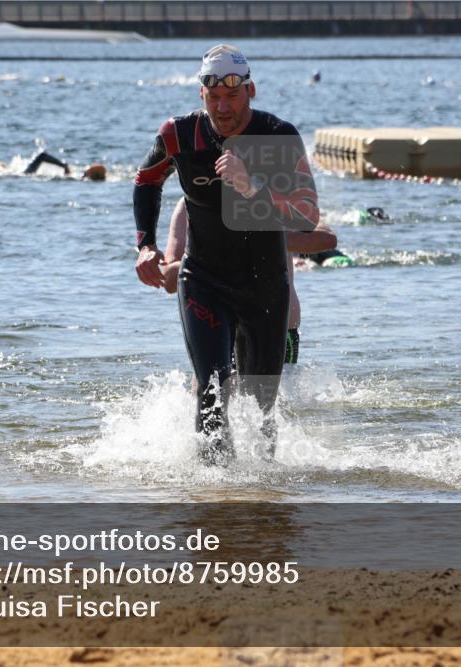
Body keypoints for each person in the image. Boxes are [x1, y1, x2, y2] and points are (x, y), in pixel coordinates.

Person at [133, 44, 320, 465]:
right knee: (210, 388)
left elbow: (308, 215)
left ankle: (262, 499)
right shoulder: (178, 135)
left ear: (250, 91)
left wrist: (253, 186)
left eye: (232, 97)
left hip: (265, 287)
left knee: (261, 408)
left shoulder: (277, 136)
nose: (222, 107)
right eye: (213, 98)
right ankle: (215, 492)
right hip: (204, 280)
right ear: (201, 95)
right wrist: (145, 245)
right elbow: (145, 181)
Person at [160, 198, 337, 365]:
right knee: (208, 393)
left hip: (276, 325)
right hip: (217, 322)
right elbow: (168, 280)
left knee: (274, 396)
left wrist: (264, 236)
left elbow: (327, 239)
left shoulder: (277, 196)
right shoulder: (189, 202)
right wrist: (213, 248)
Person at [21, 150, 106, 180]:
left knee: (42, 156)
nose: (87, 168)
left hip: (25, 176)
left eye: (90, 168)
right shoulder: (78, 177)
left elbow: (42, 156)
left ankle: (63, 165)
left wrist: (63, 166)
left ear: (90, 174)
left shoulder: (78, 179)